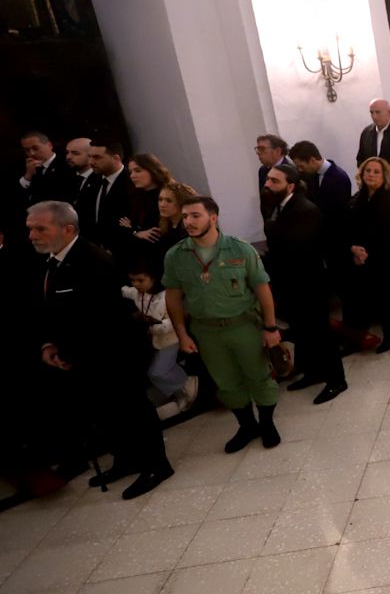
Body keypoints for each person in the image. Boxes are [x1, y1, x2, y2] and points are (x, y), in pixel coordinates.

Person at [28, 201, 173, 498]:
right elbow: (56, 312)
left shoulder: (93, 260)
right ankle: (126, 459)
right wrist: (51, 344)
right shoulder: (52, 262)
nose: (32, 235)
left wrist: (71, 352)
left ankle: (156, 464)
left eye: (40, 228)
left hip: (113, 353)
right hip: (83, 357)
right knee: (107, 412)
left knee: (133, 409)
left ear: (67, 229)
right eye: (31, 229)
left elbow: (102, 319)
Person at [163, 195, 282, 452]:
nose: (189, 222)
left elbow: (262, 289)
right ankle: (247, 426)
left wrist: (271, 328)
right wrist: (182, 335)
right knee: (227, 383)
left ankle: (267, 423)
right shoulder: (176, 256)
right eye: (185, 217)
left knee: (259, 376)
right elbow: (172, 299)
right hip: (207, 332)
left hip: (244, 325)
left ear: (213, 218)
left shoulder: (240, 249)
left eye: (196, 215)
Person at [261, 165, 347, 403]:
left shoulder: (305, 210)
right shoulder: (279, 204)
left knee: (321, 332)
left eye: (274, 181)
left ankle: (337, 380)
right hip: (290, 283)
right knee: (304, 331)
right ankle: (314, 372)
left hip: (309, 282)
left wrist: (270, 236)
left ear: (290, 186)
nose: (267, 184)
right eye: (268, 179)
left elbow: (295, 249)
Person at [347, 157, 390, 355]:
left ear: (384, 176)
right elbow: (351, 226)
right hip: (369, 257)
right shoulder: (359, 197)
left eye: (376, 172)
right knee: (380, 297)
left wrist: (366, 251)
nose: (371, 174)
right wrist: (355, 248)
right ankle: (389, 335)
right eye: (368, 170)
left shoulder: (389, 197)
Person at [122, 260, 197, 418]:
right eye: (133, 280)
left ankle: (185, 383)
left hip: (172, 339)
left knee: (157, 372)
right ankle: (181, 389)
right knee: (155, 371)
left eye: (140, 280)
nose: (136, 284)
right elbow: (124, 291)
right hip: (157, 341)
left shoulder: (166, 297)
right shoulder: (138, 293)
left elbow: (175, 321)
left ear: (153, 279)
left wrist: (152, 325)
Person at [288, 140, 353, 231]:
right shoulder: (312, 174)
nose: (300, 170)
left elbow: (338, 214)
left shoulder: (339, 178)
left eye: (301, 166)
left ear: (312, 160)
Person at [17, 130, 77, 207]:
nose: (31, 153)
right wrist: (28, 176)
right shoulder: (26, 166)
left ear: (50, 145)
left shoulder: (67, 165)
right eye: (27, 150)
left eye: (35, 148)